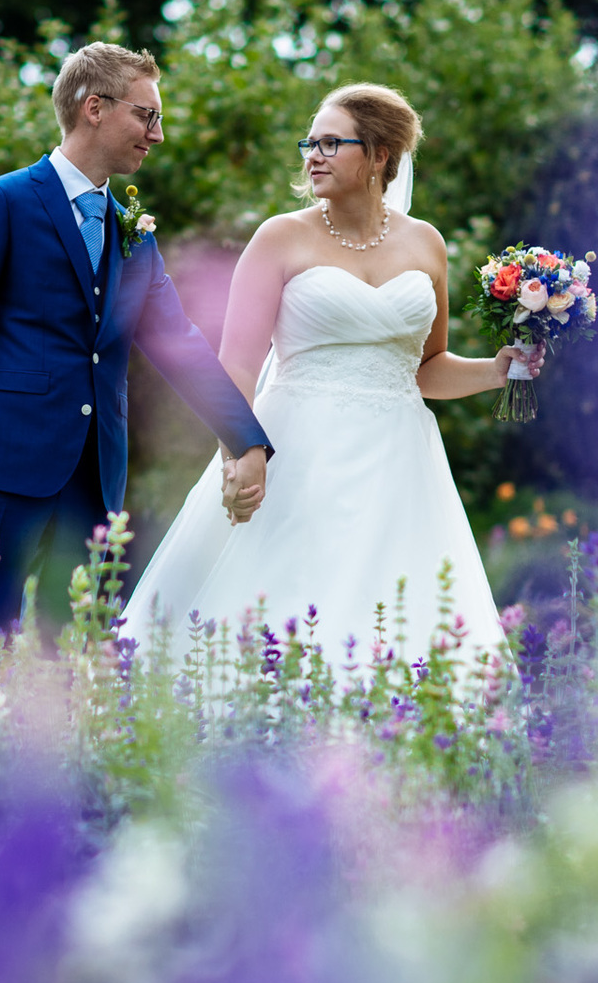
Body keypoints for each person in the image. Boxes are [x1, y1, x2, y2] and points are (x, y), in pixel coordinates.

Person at [122, 83, 541, 658]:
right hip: (295, 450)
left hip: (399, 461)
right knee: (282, 602)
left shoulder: (427, 245)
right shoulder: (280, 237)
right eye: (309, 143)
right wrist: (237, 454)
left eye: (330, 143)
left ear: (379, 154)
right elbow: (238, 363)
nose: (312, 155)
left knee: (401, 610)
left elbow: (425, 368)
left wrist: (496, 371)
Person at [0, 42, 273, 624]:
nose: (156, 134)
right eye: (147, 115)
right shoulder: (1, 204)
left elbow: (179, 344)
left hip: (96, 479)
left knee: (77, 659)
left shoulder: (133, 230)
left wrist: (248, 439)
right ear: (94, 108)